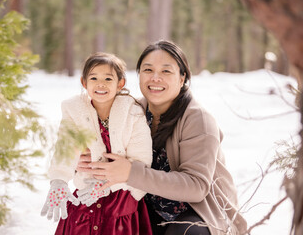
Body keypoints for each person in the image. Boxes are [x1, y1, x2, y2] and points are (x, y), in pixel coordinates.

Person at [77, 40, 248, 235]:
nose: (155, 78)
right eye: (148, 70)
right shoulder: (129, 112)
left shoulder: (198, 119)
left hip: (197, 213)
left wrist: (131, 173)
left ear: (182, 78)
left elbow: (196, 187)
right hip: (147, 207)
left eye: (166, 71)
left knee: (184, 233)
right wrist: (85, 161)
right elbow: (106, 149)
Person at [40, 52, 153, 235]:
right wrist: (59, 180)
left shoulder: (133, 114)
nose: (100, 84)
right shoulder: (74, 111)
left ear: (120, 83)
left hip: (120, 200)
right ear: (84, 83)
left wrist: (106, 185)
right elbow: (66, 147)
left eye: (108, 78)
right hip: (86, 195)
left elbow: (142, 160)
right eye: (94, 78)